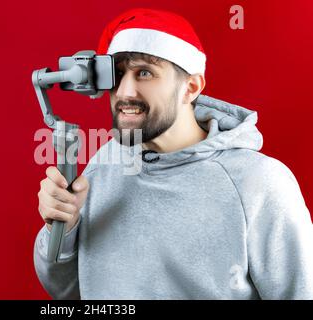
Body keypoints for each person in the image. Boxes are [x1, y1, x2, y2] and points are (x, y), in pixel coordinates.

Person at [33, 8, 313, 299]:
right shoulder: (104, 162)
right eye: (116, 75)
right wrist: (63, 231)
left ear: (190, 88)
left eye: (145, 73)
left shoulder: (258, 182)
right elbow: (70, 292)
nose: (125, 91)